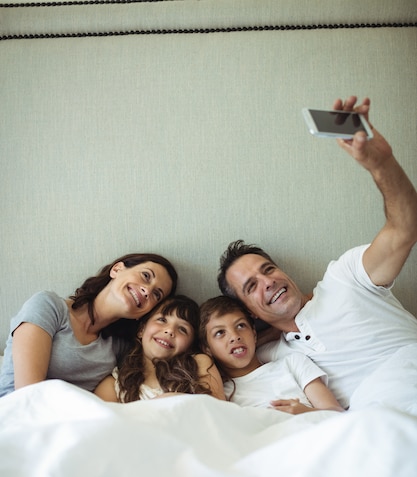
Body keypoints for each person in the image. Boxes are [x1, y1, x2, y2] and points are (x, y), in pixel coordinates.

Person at [217, 96, 417, 409]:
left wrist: (381, 165)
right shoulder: (273, 356)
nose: (267, 282)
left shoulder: (344, 278)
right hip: (378, 426)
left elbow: (405, 228)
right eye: (251, 286)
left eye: (267, 269)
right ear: (250, 313)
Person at [0, 252, 178, 397]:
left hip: (71, 429)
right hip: (16, 419)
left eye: (157, 294)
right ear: (117, 269)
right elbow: (27, 394)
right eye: (146, 276)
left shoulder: (119, 347)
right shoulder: (49, 306)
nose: (147, 290)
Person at [199, 296, 344, 414]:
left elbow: (336, 413)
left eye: (241, 326)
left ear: (254, 334)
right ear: (207, 349)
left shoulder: (292, 363)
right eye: (220, 333)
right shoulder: (221, 394)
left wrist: (305, 412)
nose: (234, 336)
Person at [94, 295, 226, 402]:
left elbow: (216, 412)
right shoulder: (114, 385)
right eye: (162, 320)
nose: (170, 331)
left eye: (182, 329)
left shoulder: (199, 363)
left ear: (189, 346)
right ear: (141, 329)